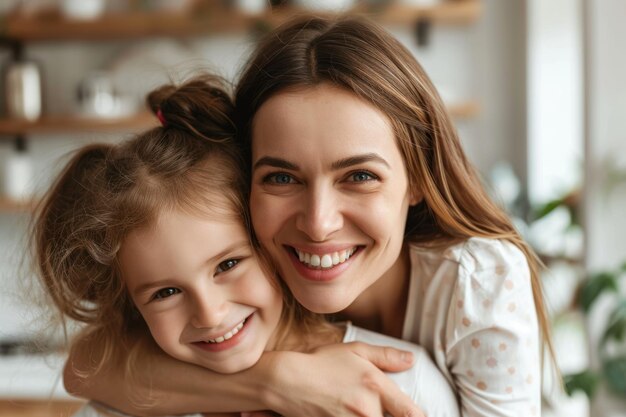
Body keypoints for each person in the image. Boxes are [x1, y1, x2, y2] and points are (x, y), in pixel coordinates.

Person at [64, 15, 556, 417]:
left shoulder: (477, 279)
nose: (318, 224)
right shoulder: (244, 271)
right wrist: (279, 383)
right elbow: (86, 366)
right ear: (244, 187)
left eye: (360, 176)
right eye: (281, 178)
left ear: (419, 179)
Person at [33, 75, 459, 417]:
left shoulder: (398, 384)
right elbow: (82, 369)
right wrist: (274, 383)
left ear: (267, 240)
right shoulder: (121, 404)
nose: (210, 313)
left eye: (228, 265)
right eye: (165, 292)